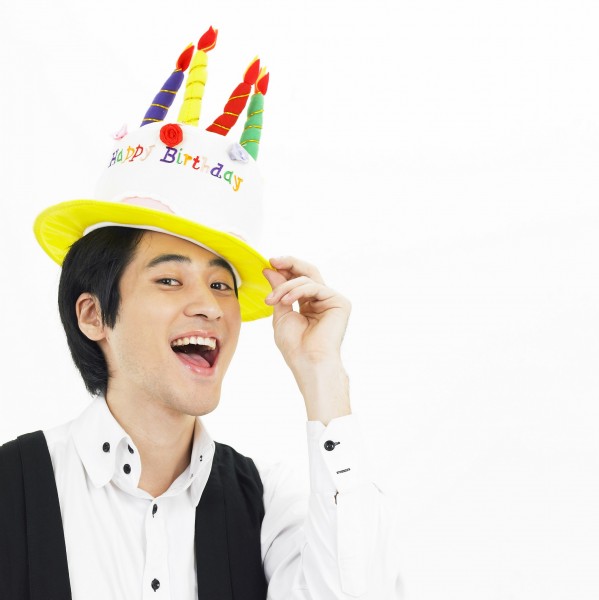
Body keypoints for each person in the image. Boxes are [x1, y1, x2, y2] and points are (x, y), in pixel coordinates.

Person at [0, 26, 401, 600]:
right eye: (169, 279)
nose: (209, 306)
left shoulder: (268, 504)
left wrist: (324, 376)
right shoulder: (11, 489)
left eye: (221, 284)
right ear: (93, 315)